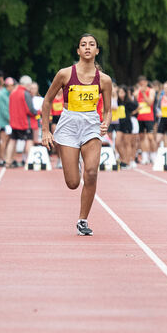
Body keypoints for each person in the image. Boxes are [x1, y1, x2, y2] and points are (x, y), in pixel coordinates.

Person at [42, 34, 113, 236]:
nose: (88, 48)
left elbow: (108, 110)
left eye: (92, 45)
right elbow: (47, 101)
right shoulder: (65, 74)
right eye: (83, 45)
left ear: (97, 51)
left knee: (91, 173)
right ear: (78, 51)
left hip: (91, 125)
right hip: (69, 125)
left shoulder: (105, 80)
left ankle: (82, 220)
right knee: (73, 183)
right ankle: (74, 160)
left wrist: (106, 122)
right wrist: (45, 130)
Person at [7, 77, 34, 168]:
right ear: (27, 84)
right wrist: (37, 112)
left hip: (14, 122)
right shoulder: (25, 93)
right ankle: (28, 161)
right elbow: (30, 109)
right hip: (24, 122)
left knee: (12, 141)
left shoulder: (13, 93)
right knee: (29, 141)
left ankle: (8, 161)